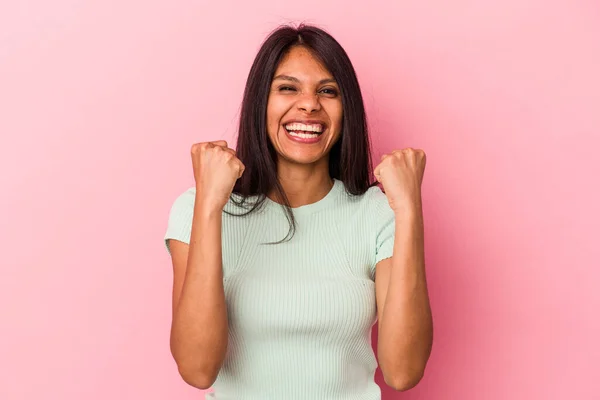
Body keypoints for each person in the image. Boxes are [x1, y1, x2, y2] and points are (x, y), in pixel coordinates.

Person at [164, 23, 433, 399]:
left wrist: (409, 211)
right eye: (288, 87)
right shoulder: (197, 207)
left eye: (327, 91)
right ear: (261, 102)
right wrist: (210, 206)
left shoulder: (379, 214)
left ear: (345, 109)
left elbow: (403, 372)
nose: (309, 104)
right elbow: (196, 368)